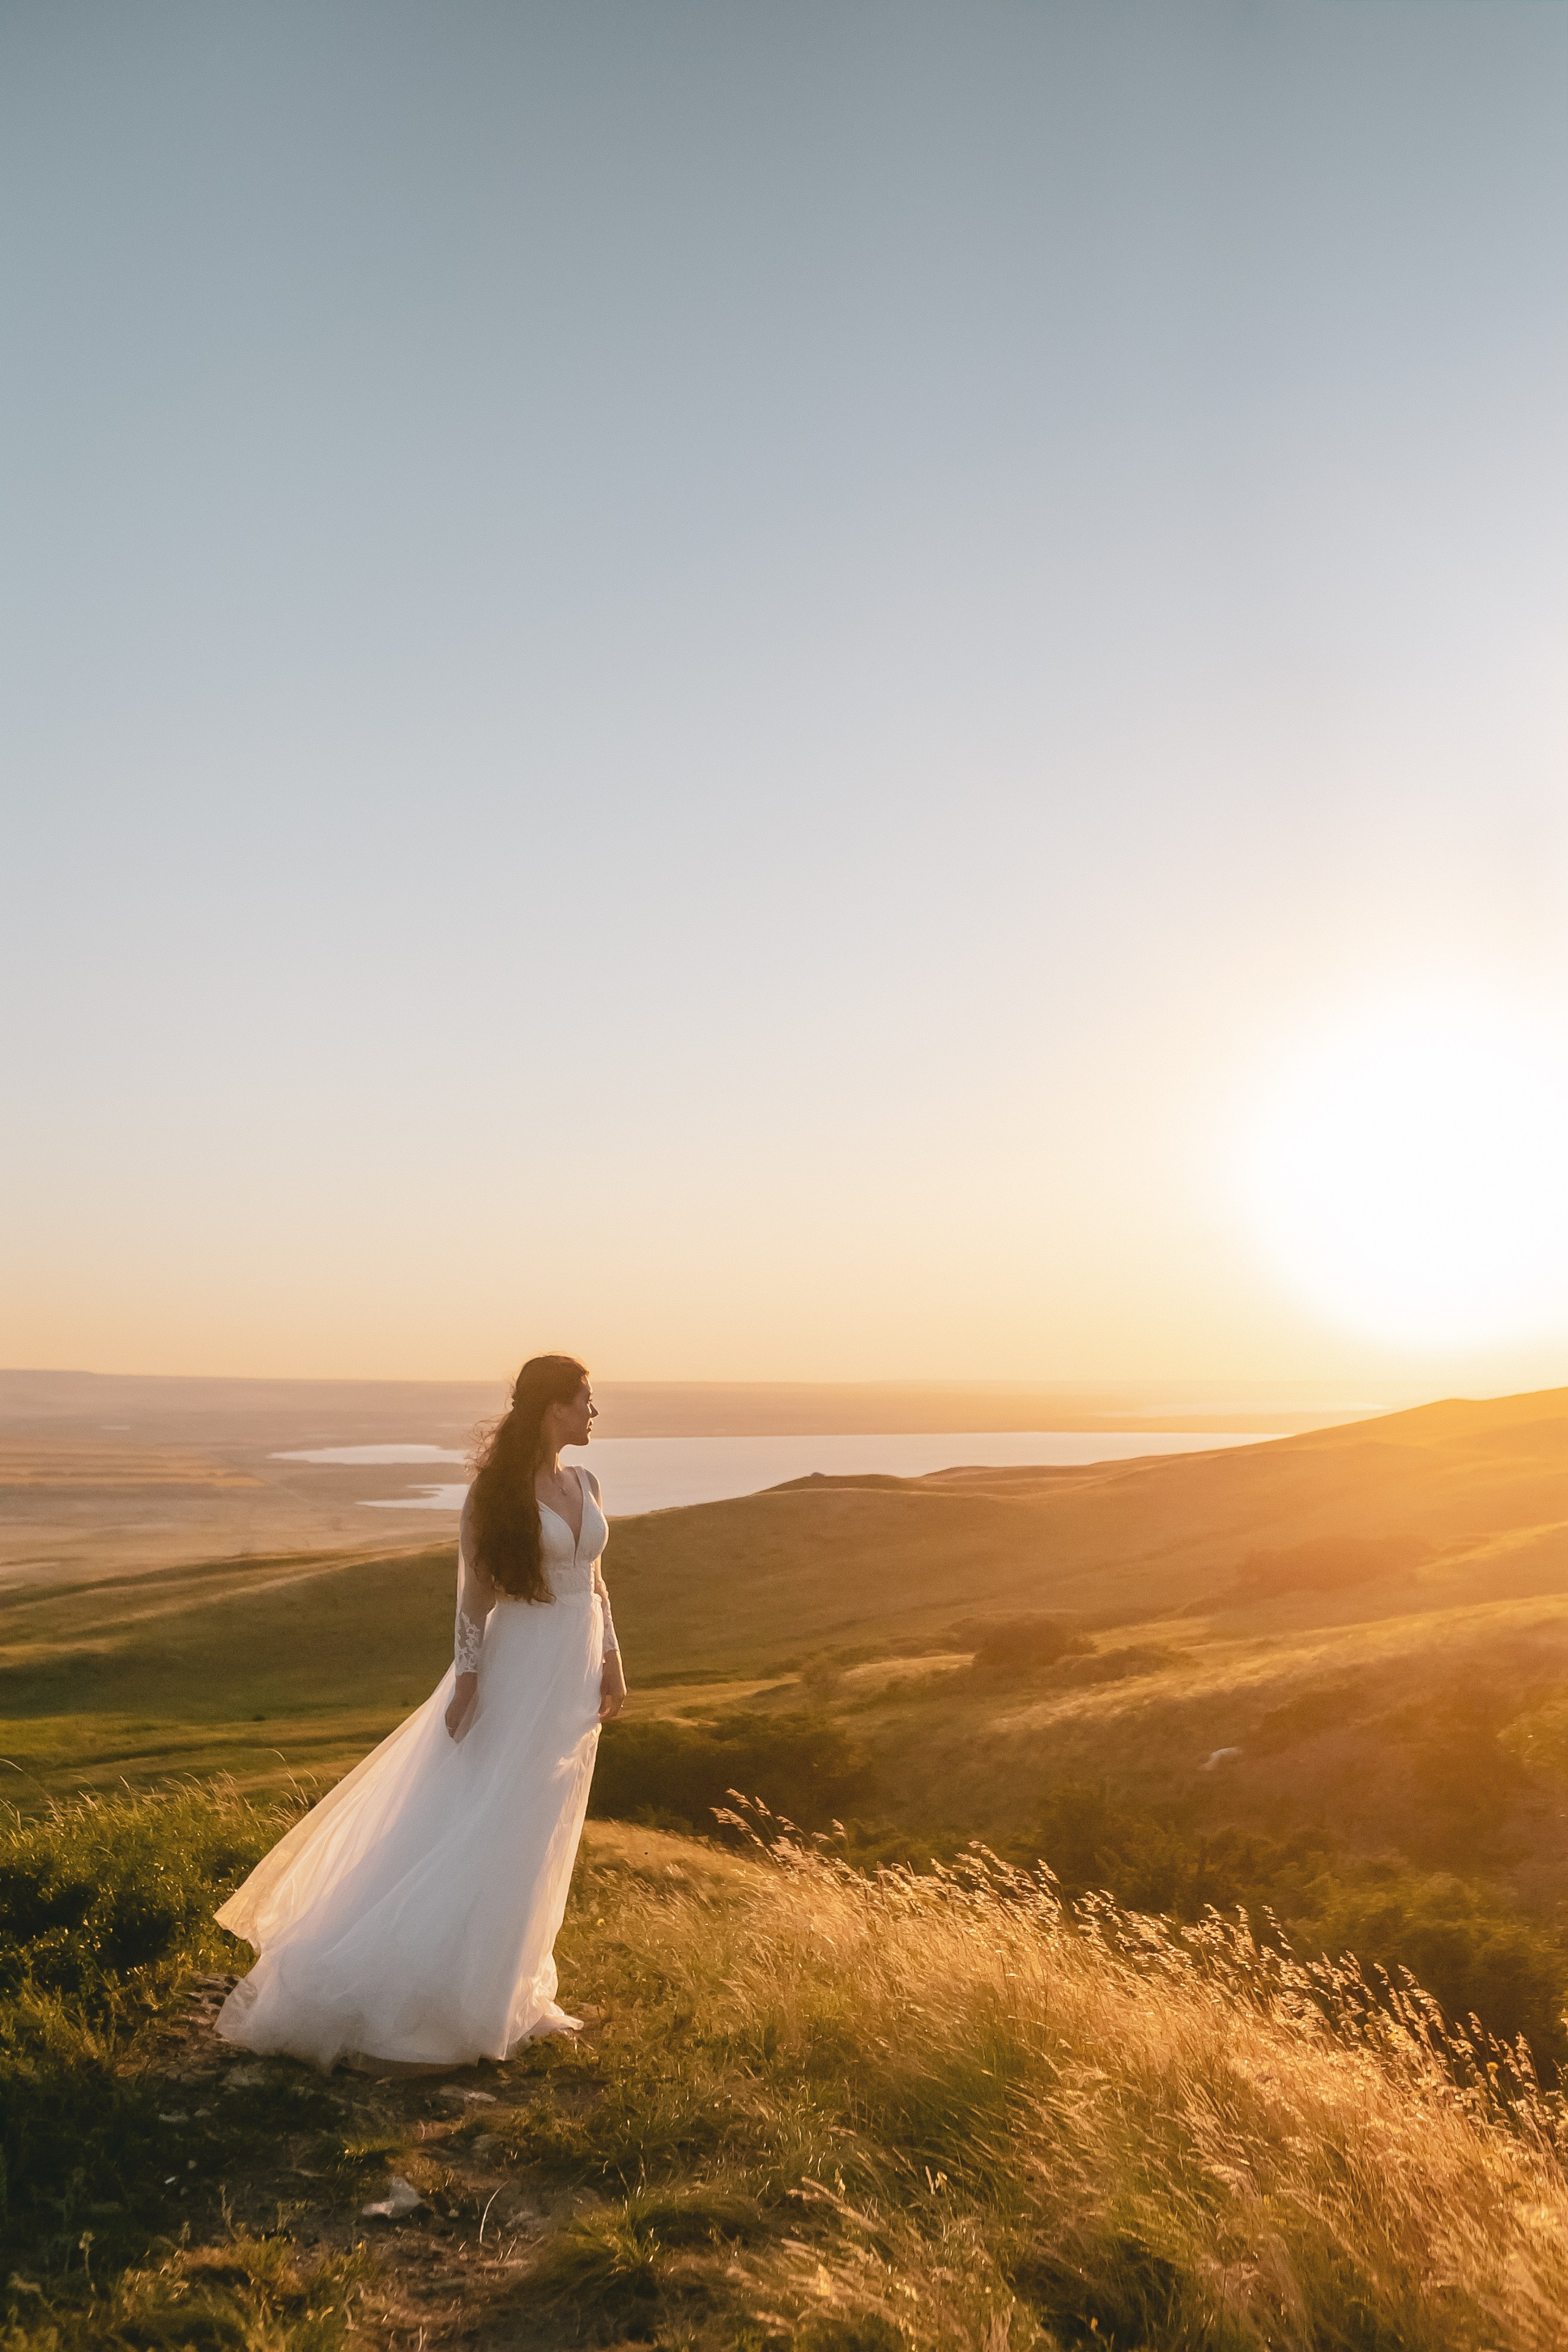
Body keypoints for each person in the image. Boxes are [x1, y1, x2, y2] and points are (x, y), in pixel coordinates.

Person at [213, 1355, 627, 2071]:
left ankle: (512, 1993)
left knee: (543, 1823)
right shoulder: (495, 1494)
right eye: (585, 1401)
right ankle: (442, 1995)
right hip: (519, 1667)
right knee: (495, 1816)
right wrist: (468, 1681)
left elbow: (595, 1583)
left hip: (574, 1673)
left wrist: (613, 1659)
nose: (594, 1415)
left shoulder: (585, 1483)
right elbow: (474, 1596)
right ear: (551, 1408)